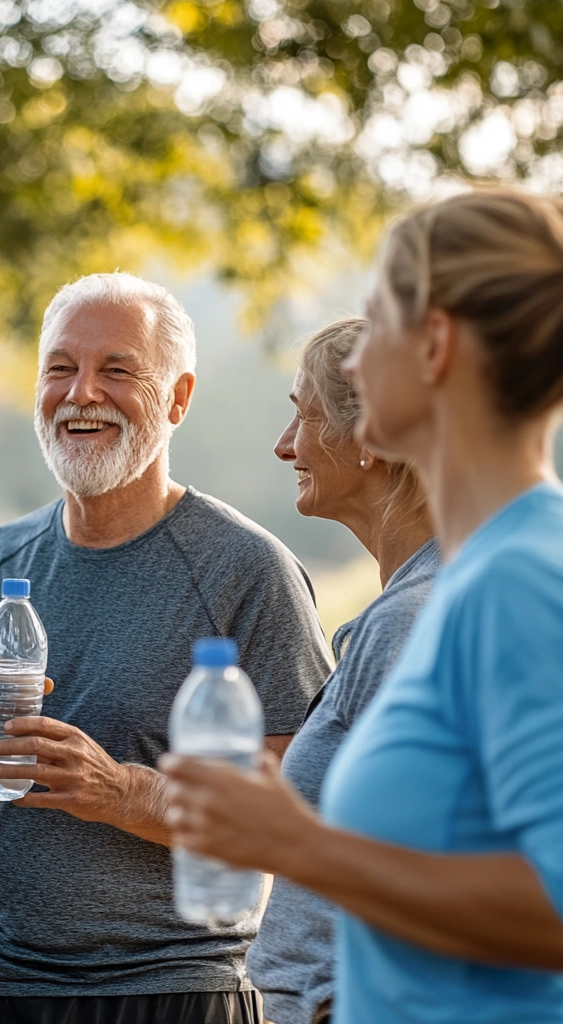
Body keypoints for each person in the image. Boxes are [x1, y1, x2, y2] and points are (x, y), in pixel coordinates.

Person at [162, 189, 563, 1024]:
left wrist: (295, 842)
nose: (349, 362)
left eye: (374, 322)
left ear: (436, 348)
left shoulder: (521, 578)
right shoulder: (480, 571)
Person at [0, 272, 332, 1024]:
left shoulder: (248, 569)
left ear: (178, 398)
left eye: (117, 370)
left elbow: (293, 810)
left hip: (177, 987)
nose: (83, 393)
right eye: (61, 368)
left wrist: (121, 792)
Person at [244, 316, 437, 1024]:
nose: (284, 444)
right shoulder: (405, 610)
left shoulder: (411, 623)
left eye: (304, 414)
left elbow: (428, 878)